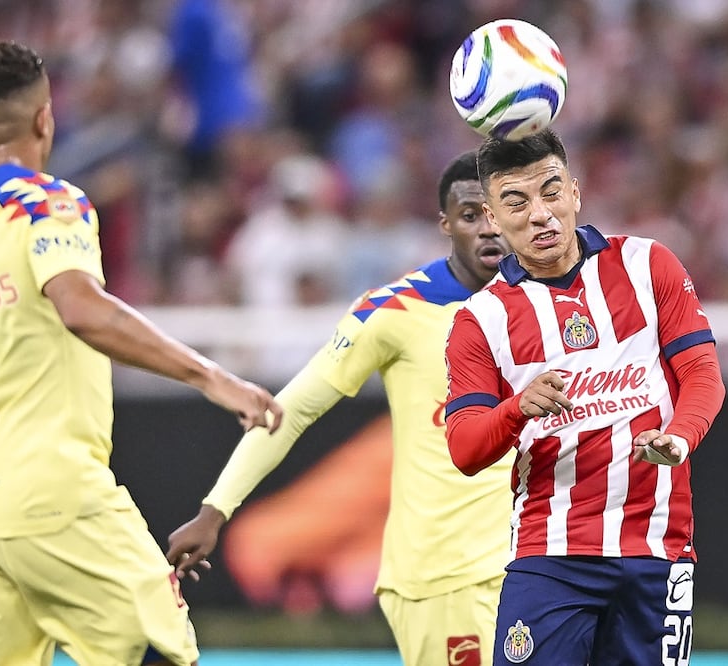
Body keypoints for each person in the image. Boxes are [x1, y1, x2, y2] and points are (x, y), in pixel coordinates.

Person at [0, 40, 283, 666]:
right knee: (159, 653)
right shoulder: (43, 202)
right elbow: (82, 308)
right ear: (44, 119)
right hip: (52, 494)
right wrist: (213, 378)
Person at [167, 151, 514, 666]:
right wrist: (216, 509)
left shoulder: (555, 302)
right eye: (470, 215)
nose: (489, 229)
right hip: (447, 578)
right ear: (444, 223)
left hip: (541, 566)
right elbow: (292, 410)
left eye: (501, 212)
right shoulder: (396, 309)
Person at [443, 129, 725, 665]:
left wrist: (681, 437)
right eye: (516, 203)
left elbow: (703, 375)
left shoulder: (648, 265)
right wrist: (516, 408)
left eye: (551, 192)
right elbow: (465, 448)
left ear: (575, 192)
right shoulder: (480, 320)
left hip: (658, 549)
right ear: (493, 218)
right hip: (550, 555)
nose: (540, 214)